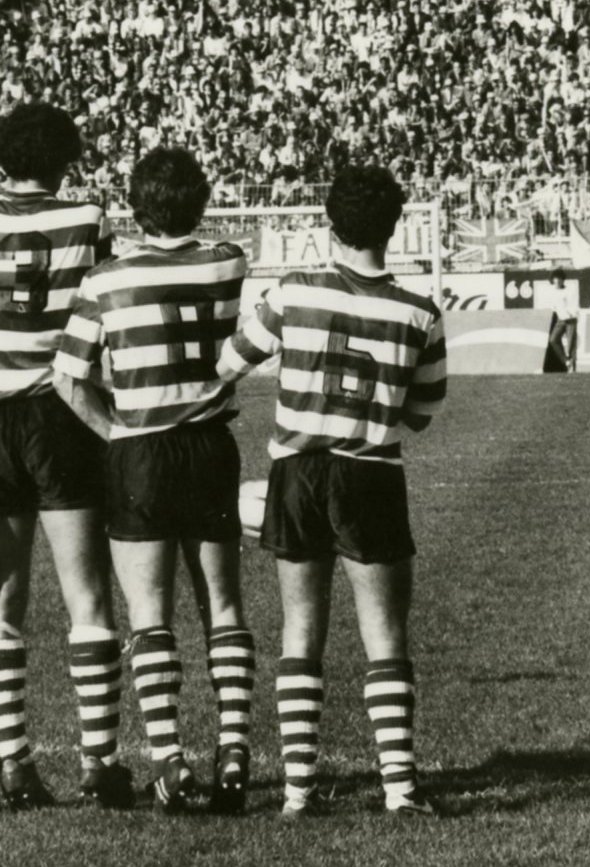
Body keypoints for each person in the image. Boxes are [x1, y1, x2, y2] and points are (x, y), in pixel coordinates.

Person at [217, 165, 446, 818]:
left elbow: (231, 360)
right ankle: (400, 790)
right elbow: (422, 412)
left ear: (331, 225)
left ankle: (298, 791)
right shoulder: (419, 311)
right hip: (371, 472)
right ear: (394, 227)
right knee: (385, 632)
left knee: (301, 627)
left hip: (298, 472)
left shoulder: (295, 292)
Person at [54, 147, 253, 815]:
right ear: (200, 200)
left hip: (140, 451)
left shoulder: (106, 279)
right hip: (209, 446)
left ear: (137, 208)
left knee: (149, 613)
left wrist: (115, 433)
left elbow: (68, 378)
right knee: (223, 605)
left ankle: (170, 759)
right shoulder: (228, 262)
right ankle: (233, 749)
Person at [0, 103, 128, 809]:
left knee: (3, 596)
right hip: (64, 411)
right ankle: (99, 762)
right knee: (88, 594)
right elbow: (106, 308)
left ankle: (14, 764)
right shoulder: (87, 217)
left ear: (1, 156)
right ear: (65, 158)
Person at [547, 269, 579, 372]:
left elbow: (574, 305)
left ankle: (572, 367)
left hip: (570, 320)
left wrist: (571, 313)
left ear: (562, 280)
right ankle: (566, 361)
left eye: (559, 279)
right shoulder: (552, 292)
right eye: (555, 279)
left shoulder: (569, 291)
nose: (557, 281)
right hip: (560, 320)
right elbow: (553, 306)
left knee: (571, 345)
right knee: (553, 340)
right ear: (552, 280)